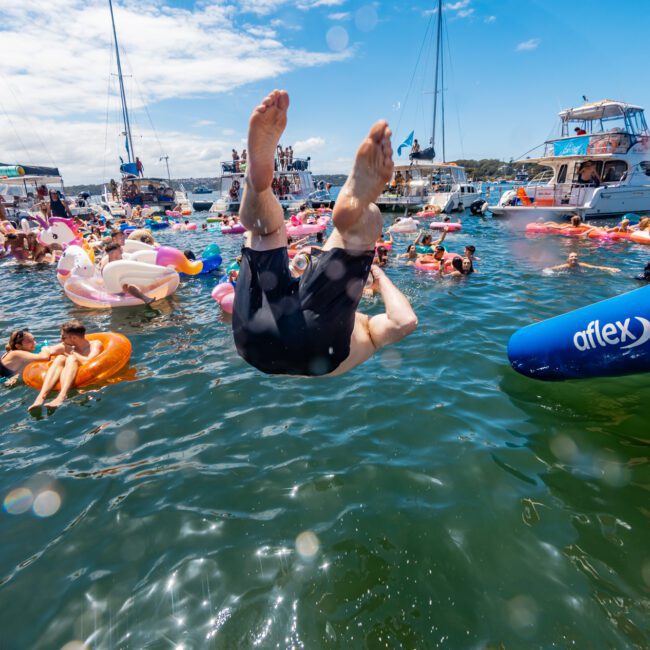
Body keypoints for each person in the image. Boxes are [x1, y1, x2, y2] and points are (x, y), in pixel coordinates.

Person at [232, 89, 417, 376]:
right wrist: (378, 277)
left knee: (269, 232)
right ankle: (348, 210)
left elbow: (407, 321)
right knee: (265, 233)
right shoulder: (367, 331)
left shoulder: (359, 322)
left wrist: (375, 273)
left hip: (261, 328)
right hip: (259, 343)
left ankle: (258, 185)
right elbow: (405, 322)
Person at [28, 320, 103, 412]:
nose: (61, 339)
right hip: (69, 373)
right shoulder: (66, 346)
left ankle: (62, 396)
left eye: (63, 337)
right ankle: (41, 397)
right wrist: (46, 350)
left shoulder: (95, 344)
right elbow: (47, 350)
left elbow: (89, 362)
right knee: (60, 358)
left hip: (89, 381)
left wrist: (71, 352)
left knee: (71, 359)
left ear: (74, 338)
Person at [544, 252, 621, 274]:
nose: (574, 258)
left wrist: (610, 268)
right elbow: (549, 269)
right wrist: (548, 272)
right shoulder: (565, 266)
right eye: (572, 256)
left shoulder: (581, 265)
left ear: (577, 259)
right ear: (568, 259)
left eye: (575, 256)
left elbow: (596, 267)